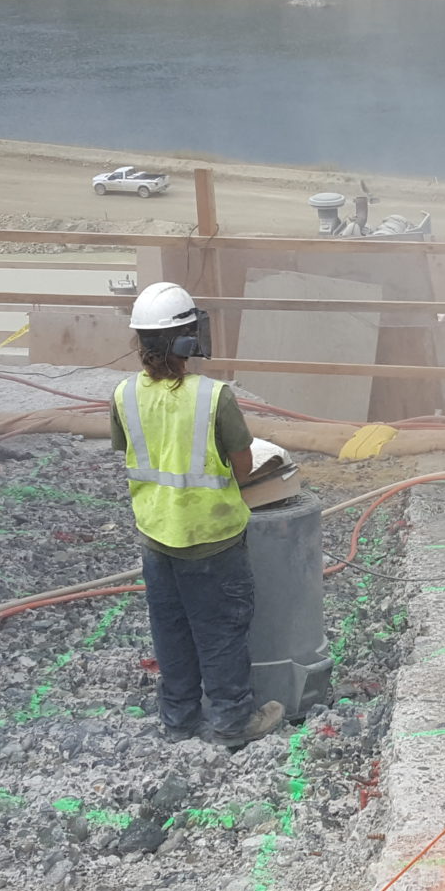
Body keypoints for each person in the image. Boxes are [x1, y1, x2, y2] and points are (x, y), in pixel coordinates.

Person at [110, 282, 284, 747]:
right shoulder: (213, 396)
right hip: (212, 539)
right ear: (190, 339)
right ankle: (231, 723)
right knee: (220, 630)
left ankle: (179, 720)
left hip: (156, 538)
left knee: (172, 631)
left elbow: (135, 452)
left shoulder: (125, 394)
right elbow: (243, 465)